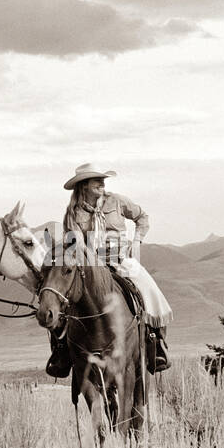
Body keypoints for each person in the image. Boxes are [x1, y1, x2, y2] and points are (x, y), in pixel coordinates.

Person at [46, 162, 171, 377]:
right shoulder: (72, 213)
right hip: (91, 266)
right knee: (63, 299)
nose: (102, 183)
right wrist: (88, 256)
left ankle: (156, 343)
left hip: (120, 259)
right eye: (97, 180)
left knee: (150, 289)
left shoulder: (117, 201)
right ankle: (62, 352)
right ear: (84, 185)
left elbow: (142, 218)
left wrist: (137, 241)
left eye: (102, 180)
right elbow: (74, 241)